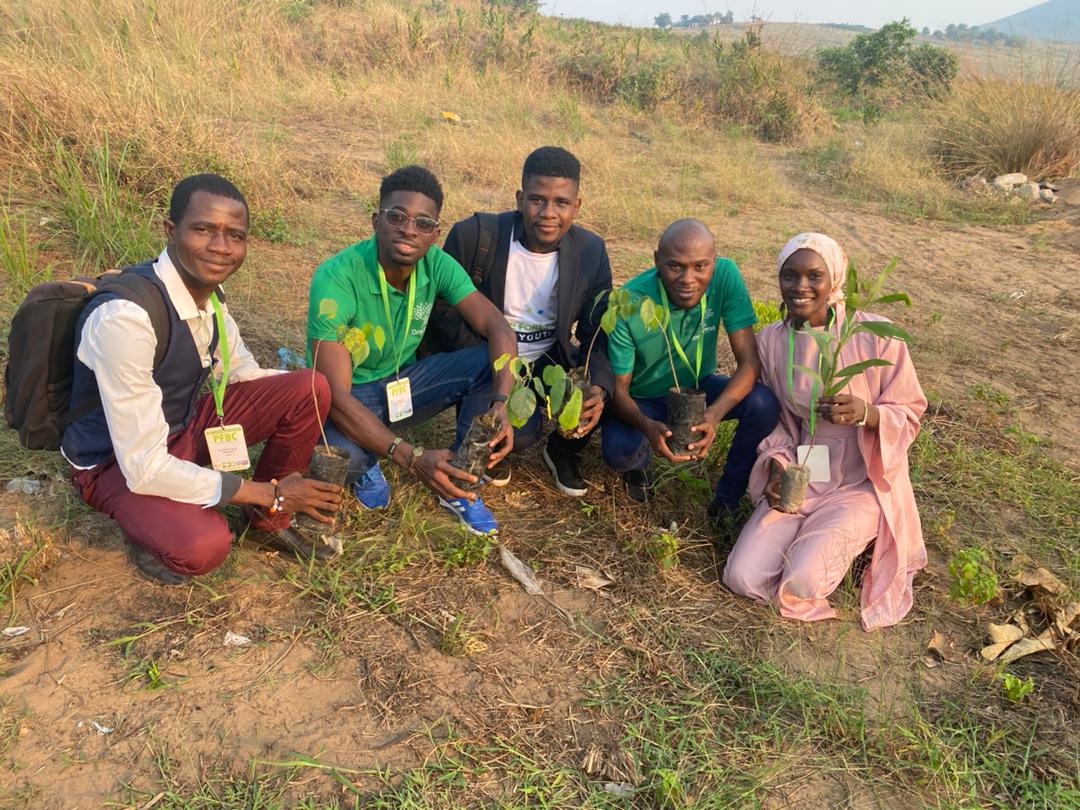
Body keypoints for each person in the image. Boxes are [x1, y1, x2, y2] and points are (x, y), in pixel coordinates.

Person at [62, 173, 344, 585]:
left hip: (182, 422)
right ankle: (151, 525)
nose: (221, 248)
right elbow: (143, 466)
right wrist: (269, 489)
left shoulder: (208, 295)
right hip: (115, 460)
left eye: (235, 235)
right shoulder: (126, 321)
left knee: (311, 386)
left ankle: (267, 520)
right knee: (203, 546)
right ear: (171, 231)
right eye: (204, 230)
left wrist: (300, 401)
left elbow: (241, 373)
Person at [722, 233, 927, 630]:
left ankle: (855, 537)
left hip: (861, 479)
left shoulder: (873, 335)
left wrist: (868, 413)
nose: (801, 287)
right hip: (807, 471)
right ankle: (812, 538)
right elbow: (779, 420)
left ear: (833, 280)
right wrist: (780, 463)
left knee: (801, 583)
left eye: (814, 275)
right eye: (790, 275)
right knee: (742, 577)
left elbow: (911, 410)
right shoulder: (772, 341)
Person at [308, 165, 517, 535]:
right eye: (397, 216)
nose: (409, 230)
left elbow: (497, 326)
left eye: (423, 223)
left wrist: (501, 402)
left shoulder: (436, 264)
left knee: (488, 363)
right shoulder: (337, 276)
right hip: (349, 395)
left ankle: (460, 478)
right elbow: (337, 397)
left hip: (403, 383)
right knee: (349, 461)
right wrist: (409, 455)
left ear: (436, 234)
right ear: (376, 220)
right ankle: (371, 455)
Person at [427, 146, 613, 497]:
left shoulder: (590, 251)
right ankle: (497, 428)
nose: (548, 213)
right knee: (511, 432)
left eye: (561, 202)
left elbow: (597, 330)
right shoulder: (476, 236)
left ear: (577, 206)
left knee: (607, 387)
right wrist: (498, 373)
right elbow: (444, 312)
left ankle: (562, 450)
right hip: (486, 359)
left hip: (547, 362)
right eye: (537, 199)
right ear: (519, 198)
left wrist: (599, 389)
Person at [602, 218, 779, 519]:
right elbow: (620, 391)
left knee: (763, 404)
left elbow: (749, 363)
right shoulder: (630, 303)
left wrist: (713, 414)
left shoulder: (726, 275)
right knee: (619, 452)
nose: (688, 278)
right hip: (644, 397)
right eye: (675, 266)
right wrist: (647, 425)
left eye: (700, 266)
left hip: (699, 388)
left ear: (714, 261)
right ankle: (638, 466)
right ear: (657, 260)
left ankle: (727, 499)